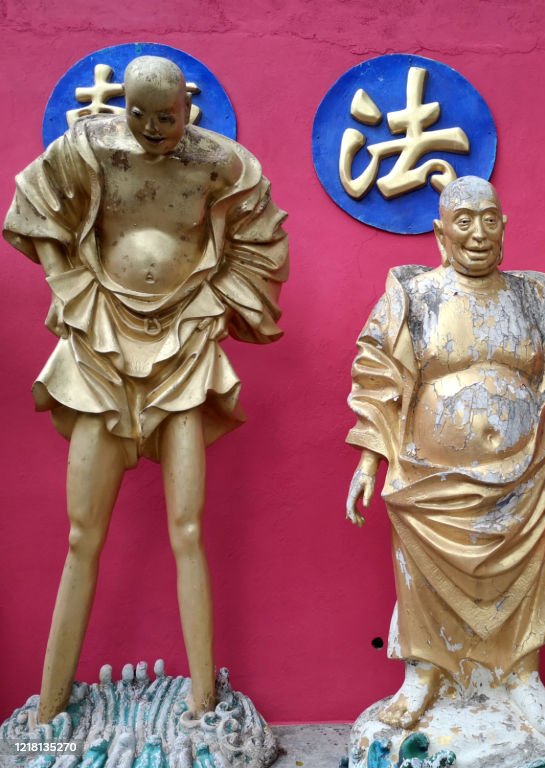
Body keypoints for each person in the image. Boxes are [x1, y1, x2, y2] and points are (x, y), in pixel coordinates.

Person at [4, 56, 288, 722]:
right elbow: (35, 204)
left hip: (185, 344)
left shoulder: (220, 162)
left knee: (187, 528)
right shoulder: (92, 147)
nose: (153, 129)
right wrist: (65, 283)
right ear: (122, 107)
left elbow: (263, 237)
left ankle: (202, 706)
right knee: (82, 535)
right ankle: (48, 712)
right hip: (100, 336)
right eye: (140, 115)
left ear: (189, 107)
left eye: (167, 116)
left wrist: (222, 300)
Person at [345, 176, 545, 736]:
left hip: (521, 473)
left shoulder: (534, 298)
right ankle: (423, 675)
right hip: (430, 479)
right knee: (421, 579)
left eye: (489, 218)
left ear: (505, 225)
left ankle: (524, 678)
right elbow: (376, 380)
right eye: (464, 220)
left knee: (525, 578)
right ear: (440, 231)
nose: (478, 233)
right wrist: (367, 462)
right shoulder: (414, 299)